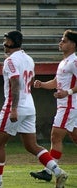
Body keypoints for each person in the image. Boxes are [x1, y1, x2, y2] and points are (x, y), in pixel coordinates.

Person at [0, 30, 67, 188]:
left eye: (5, 41)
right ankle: (58, 172)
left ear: (11, 42)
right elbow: (30, 81)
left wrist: (13, 108)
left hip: (15, 106)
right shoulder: (29, 59)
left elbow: (15, 83)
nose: (3, 44)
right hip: (30, 105)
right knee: (31, 145)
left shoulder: (10, 60)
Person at [30, 29, 77, 183]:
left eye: (64, 40)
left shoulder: (74, 61)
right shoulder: (64, 62)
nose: (60, 43)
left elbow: (67, 87)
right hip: (65, 105)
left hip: (69, 106)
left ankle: (48, 171)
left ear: (73, 44)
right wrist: (42, 84)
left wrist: (68, 92)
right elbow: (57, 82)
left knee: (55, 136)